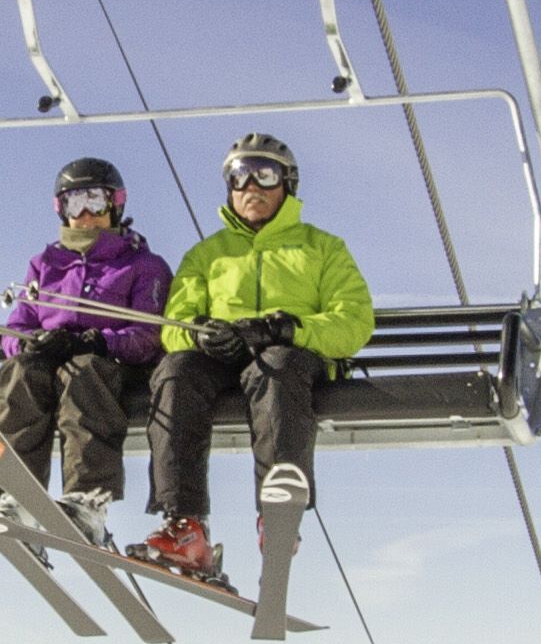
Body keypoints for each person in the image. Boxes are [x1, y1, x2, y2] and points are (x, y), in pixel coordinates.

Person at [137, 130, 374, 585]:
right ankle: (185, 526)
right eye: (239, 177)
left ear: (288, 183)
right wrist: (202, 336)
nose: (251, 188)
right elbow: (174, 325)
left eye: (264, 175)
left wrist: (291, 329)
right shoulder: (207, 255)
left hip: (289, 359)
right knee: (175, 372)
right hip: (222, 359)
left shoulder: (322, 248)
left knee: (278, 366)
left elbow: (354, 321)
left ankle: (277, 513)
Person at [0, 155, 166, 532]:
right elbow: (16, 327)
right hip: (51, 370)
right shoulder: (45, 264)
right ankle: (17, 494)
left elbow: (148, 334)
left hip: (111, 371)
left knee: (84, 371)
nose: (85, 214)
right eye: (74, 203)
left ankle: (89, 497)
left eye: (96, 202)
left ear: (115, 205)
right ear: (61, 209)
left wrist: (100, 342)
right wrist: (31, 344)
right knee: (21, 372)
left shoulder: (142, 265)